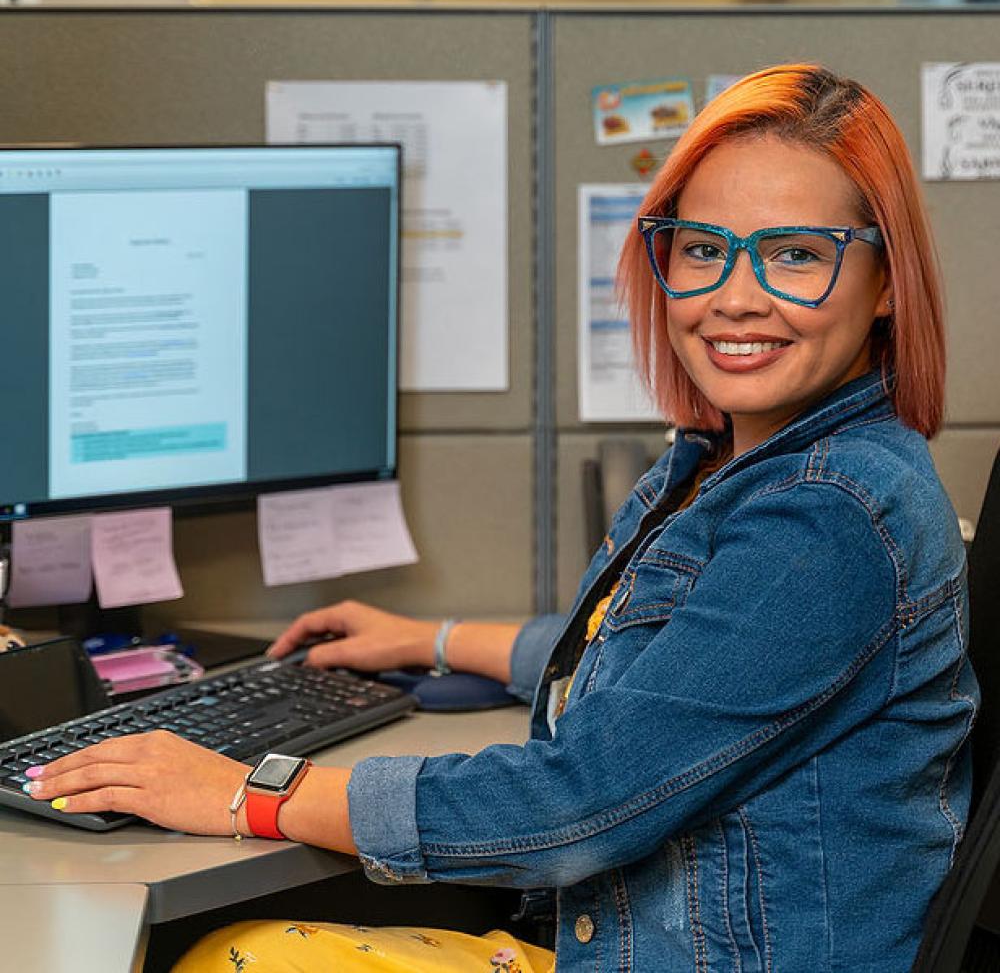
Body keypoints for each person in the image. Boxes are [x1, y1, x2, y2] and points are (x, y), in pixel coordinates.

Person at [24, 64, 977, 972]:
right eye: (702, 248)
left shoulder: (827, 512)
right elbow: (671, 673)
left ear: (886, 282)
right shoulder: (730, 458)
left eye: (796, 254)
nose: (734, 296)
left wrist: (245, 791)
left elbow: (584, 801)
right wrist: (434, 638)